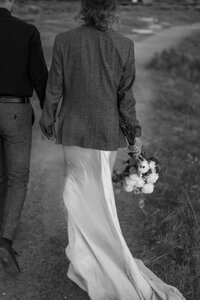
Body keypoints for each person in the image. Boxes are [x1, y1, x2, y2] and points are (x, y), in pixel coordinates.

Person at [40, 0, 185, 299]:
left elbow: (54, 87)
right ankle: (88, 254)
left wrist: (47, 119)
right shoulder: (124, 44)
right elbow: (125, 99)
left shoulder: (65, 40)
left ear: (85, 8)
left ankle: (85, 256)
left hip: (73, 132)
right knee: (98, 196)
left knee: (77, 192)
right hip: (105, 134)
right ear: (112, 10)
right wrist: (135, 135)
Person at [0, 0, 48, 276]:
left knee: (1, 177)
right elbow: (40, 77)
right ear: (11, 2)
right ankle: (4, 241)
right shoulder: (27, 31)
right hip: (16, 110)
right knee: (17, 178)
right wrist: (48, 115)